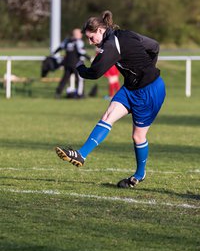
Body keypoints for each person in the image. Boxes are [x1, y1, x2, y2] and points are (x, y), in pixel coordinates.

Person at [55, 10, 166, 188]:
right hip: (131, 87)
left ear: (100, 30)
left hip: (150, 90)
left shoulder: (112, 45)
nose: (91, 42)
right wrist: (147, 66)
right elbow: (154, 46)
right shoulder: (122, 36)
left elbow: (95, 73)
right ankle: (81, 155)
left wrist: (80, 67)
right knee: (108, 116)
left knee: (138, 136)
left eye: (91, 38)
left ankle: (140, 174)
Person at [54, 28, 90, 98]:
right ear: (77, 34)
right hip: (76, 64)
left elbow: (59, 48)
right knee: (80, 79)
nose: (81, 35)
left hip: (67, 64)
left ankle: (58, 93)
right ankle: (80, 94)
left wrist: (53, 54)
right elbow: (81, 52)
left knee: (64, 79)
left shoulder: (67, 41)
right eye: (80, 34)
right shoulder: (78, 42)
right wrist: (89, 58)